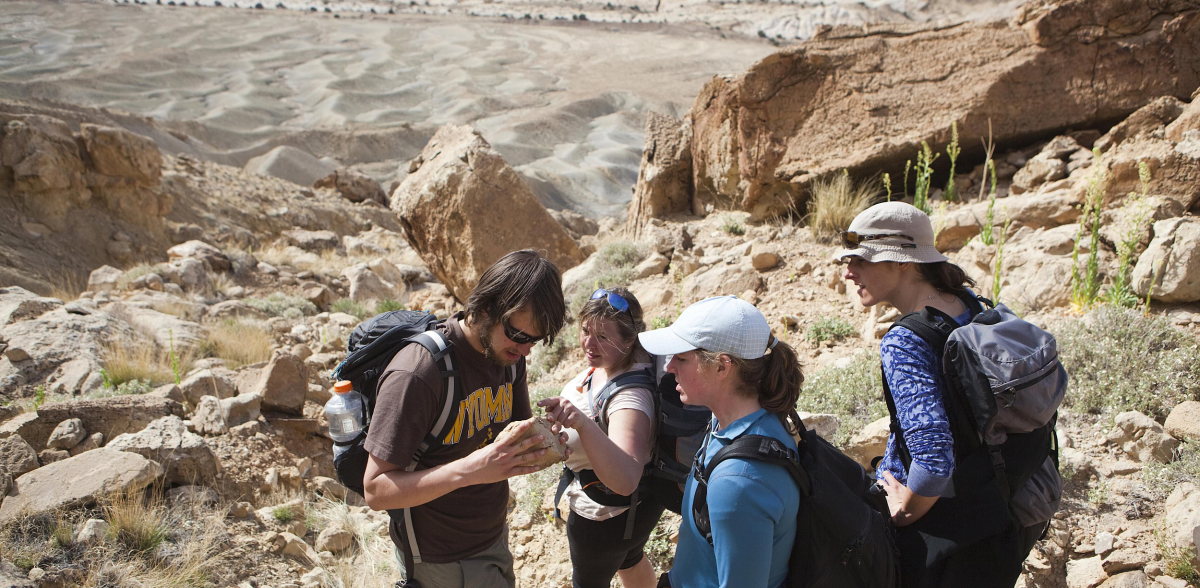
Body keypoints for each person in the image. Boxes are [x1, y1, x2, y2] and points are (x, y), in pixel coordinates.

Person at [838, 201, 1028, 587]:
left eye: (861, 259)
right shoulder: (971, 304)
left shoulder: (905, 340)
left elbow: (934, 460)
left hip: (943, 530)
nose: (848, 271)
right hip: (998, 504)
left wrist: (902, 513)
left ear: (904, 262)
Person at [363, 250, 570, 588]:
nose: (526, 350)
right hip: (438, 559)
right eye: (520, 336)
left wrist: (542, 440)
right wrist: (472, 469)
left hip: (492, 538)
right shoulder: (419, 373)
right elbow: (375, 489)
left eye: (535, 340)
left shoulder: (509, 356)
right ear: (487, 308)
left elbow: (505, 437)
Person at [638, 295, 804, 588]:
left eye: (682, 357)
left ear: (722, 367)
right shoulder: (738, 421)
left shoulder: (740, 482)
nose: (669, 366)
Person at [537, 287, 664, 588]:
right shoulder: (629, 359)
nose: (589, 344)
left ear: (630, 338)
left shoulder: (629, 398)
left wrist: (581, 423)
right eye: (585, 331)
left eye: (603, 337)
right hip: (635, 510)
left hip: (604, 517)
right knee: (630, 559)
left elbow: (624, 479)